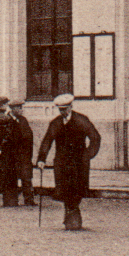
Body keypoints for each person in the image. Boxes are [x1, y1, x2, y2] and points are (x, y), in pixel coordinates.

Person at [37, 93, 103, 230]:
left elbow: (95, 138)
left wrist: (88, 155)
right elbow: (47, 140)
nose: (63, 112)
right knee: (64, 191)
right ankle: (71, 220)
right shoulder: (55, 123)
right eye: (60, 110)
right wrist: (41, 159)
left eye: (65, 109)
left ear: (71, 107)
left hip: (79, 163)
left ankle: (72, 219)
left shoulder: (82, 120)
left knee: (77, 191)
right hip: (61, 163)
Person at [5, 98, 36, 206]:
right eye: (19, 108)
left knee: (26, 177)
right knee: (11, 177)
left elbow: (29, 136)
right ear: (13, 109)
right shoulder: (6, 120)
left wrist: (28, 153)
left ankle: (29, 199)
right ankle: (11, 200)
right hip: (11, 155)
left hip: (24, 155)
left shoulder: (23, 120)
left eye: (21, 107)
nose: (21, 110)